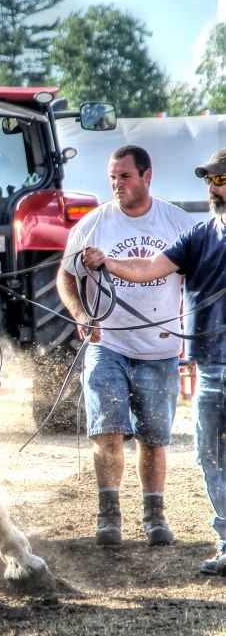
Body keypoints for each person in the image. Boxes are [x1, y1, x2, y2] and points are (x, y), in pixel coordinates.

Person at [82, 146, 226, 576]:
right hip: (212, 369)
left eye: (221, 180)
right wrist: (107, 261)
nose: (213, 188)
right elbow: (148, 267)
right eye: (210, 180)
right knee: (210, 457)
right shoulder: (200, 236)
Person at [57, 145, 195, 549]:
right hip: (107, 342)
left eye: (125, 176)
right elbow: (66, 276)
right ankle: (109, 515)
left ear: (147, 176)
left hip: (159, 348)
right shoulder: (93, 224)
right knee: (108, 431)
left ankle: (154, 516)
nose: (117, 184)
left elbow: (197, 275)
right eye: (112, 177)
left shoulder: (177, 222)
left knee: (154, 440)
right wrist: (81, 315)